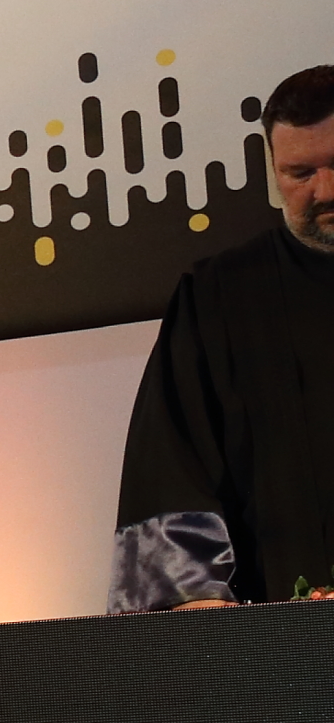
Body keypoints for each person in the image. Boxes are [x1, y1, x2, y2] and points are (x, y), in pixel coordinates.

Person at [110, 64, 334, 610]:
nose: (324, 191)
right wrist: (196, 605)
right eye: (300, 173)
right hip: (291, 639)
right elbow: (172, 468)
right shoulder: (220, 297)